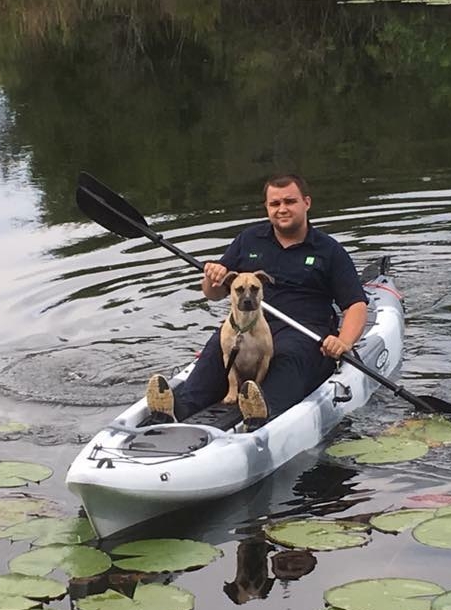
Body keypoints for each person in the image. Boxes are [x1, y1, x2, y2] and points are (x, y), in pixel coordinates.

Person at [146, 173, 368, 430]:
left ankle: (263, 413)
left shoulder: (329, 250)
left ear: (306, 203)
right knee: (216, 350)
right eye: (275, 204)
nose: (282, 209)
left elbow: (355, 305)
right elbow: (214, 293)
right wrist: (212, 276)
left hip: (303, 331)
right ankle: (177, 409)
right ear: (267, 207)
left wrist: (343, 342)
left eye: (290, 201)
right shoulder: (249, 240)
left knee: (288, 355)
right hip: (250, 324)